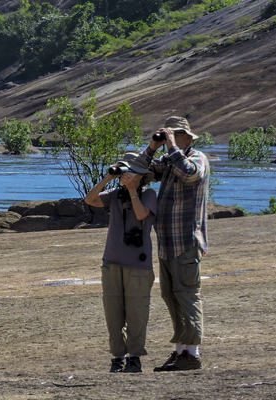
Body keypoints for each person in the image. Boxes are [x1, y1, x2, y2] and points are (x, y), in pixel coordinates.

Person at [141, 116, 211, 372]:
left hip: (185, 242)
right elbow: (141, 172)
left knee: (188, 295)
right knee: (171, 297)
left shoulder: (196, 158)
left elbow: (190, 174)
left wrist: (171, 148)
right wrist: (152, 147)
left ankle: (193, 354)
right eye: (167, 134)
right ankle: (181, 350)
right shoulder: (170, 160)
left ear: (187, 137)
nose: (169, 137)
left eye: (173, 134)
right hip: (167, 243)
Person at [86, 152, 158, 373]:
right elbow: (90, 200)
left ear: (141, 176)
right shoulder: (115, 194)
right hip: (112, 263)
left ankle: (134, 358)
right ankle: (117, 357)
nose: (126, 175)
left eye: (131, 172)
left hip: (138, 265)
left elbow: (140, 215)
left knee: (137, 314)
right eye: (124, 171)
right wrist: (108, 178)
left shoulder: (149, 195)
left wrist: (133, 191)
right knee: (113, 313)